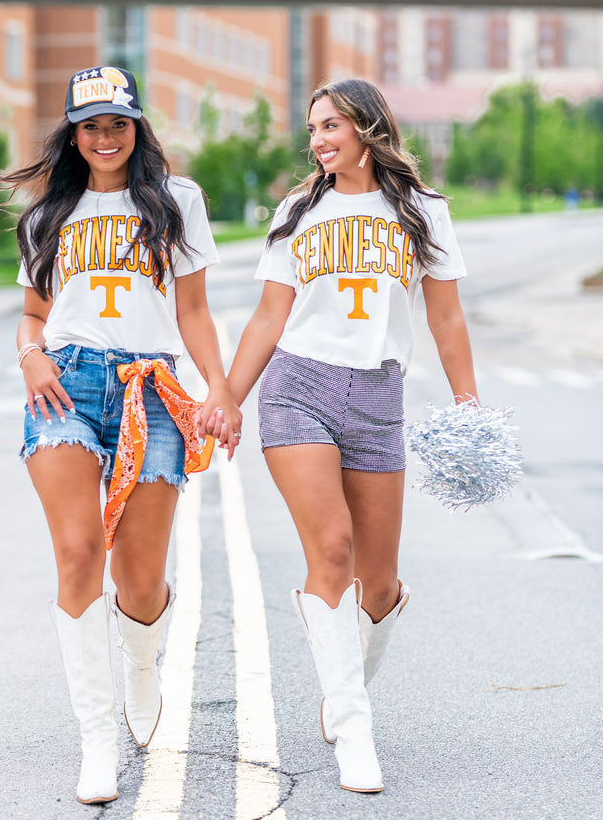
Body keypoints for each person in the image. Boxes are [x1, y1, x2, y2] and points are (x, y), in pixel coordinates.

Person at [0, 66, 241, 804]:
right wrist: (31, 357)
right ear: (73, 132)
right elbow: (34, 315)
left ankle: (140, 666)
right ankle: (96, 739)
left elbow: (193, 311)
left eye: (118, 123)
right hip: (64, 385)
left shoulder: (176, 202)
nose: (105, 137)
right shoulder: (47, 214)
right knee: (76, 554)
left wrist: (218, 388)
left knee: (140, 579)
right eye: (91, 125)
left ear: (138, 127)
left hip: (152, 392)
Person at [223, 78, 478, 794]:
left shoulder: (423, 213)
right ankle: (353, 726)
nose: (318, 140)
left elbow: (447, 318)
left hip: (378, 396)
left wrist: (466, 404)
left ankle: (343, 689)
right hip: (299, 389)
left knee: (380, 585)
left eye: (331, 125)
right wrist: (228, 400)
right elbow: (269, 319)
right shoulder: (299, 211)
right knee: (330, 549)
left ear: (368, 126)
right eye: (312, 130)